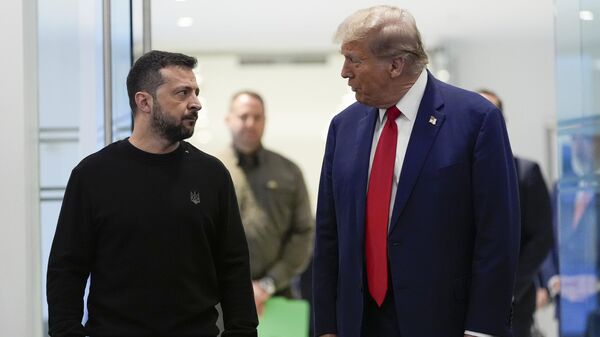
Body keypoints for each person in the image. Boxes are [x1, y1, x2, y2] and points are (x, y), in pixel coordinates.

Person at [312, 6, 520, 337]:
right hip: (358, 322)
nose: (344, 72)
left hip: (444, 320)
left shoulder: (476, 120)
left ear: (395, 65)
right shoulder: (344, 127)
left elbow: (497, 235)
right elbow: (328, 234)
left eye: (355, 60)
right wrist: (324, 326)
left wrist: (482, 329)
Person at [46, 50, 258, 337]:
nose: (195, 103)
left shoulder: (212, 175)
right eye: (182, 93)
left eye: (196, 92)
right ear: (144, 101)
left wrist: (242, 331)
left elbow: (233, 265)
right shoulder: (93, 175)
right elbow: (66, 268)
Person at [218, 91, 315, 316]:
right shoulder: (209, 170)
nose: (250, 123)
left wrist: (267, 285)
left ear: (265, 121)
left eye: (257, 117)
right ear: (228, 120)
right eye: (243, 116)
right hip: (218, 300)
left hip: (277, 297)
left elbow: (303, 233)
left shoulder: (289, 172)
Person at [478, 89, 554, 337]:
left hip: (515, 301)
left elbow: (542, 238)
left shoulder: (526, 173)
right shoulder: (454, 174)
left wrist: (508, 286)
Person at [539, 134, 600, 337]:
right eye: (574, 139)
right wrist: (552, 277)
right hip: (566, 303)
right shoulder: (561, 187)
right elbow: (545, 236)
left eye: (584, 139)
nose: (577, 146)